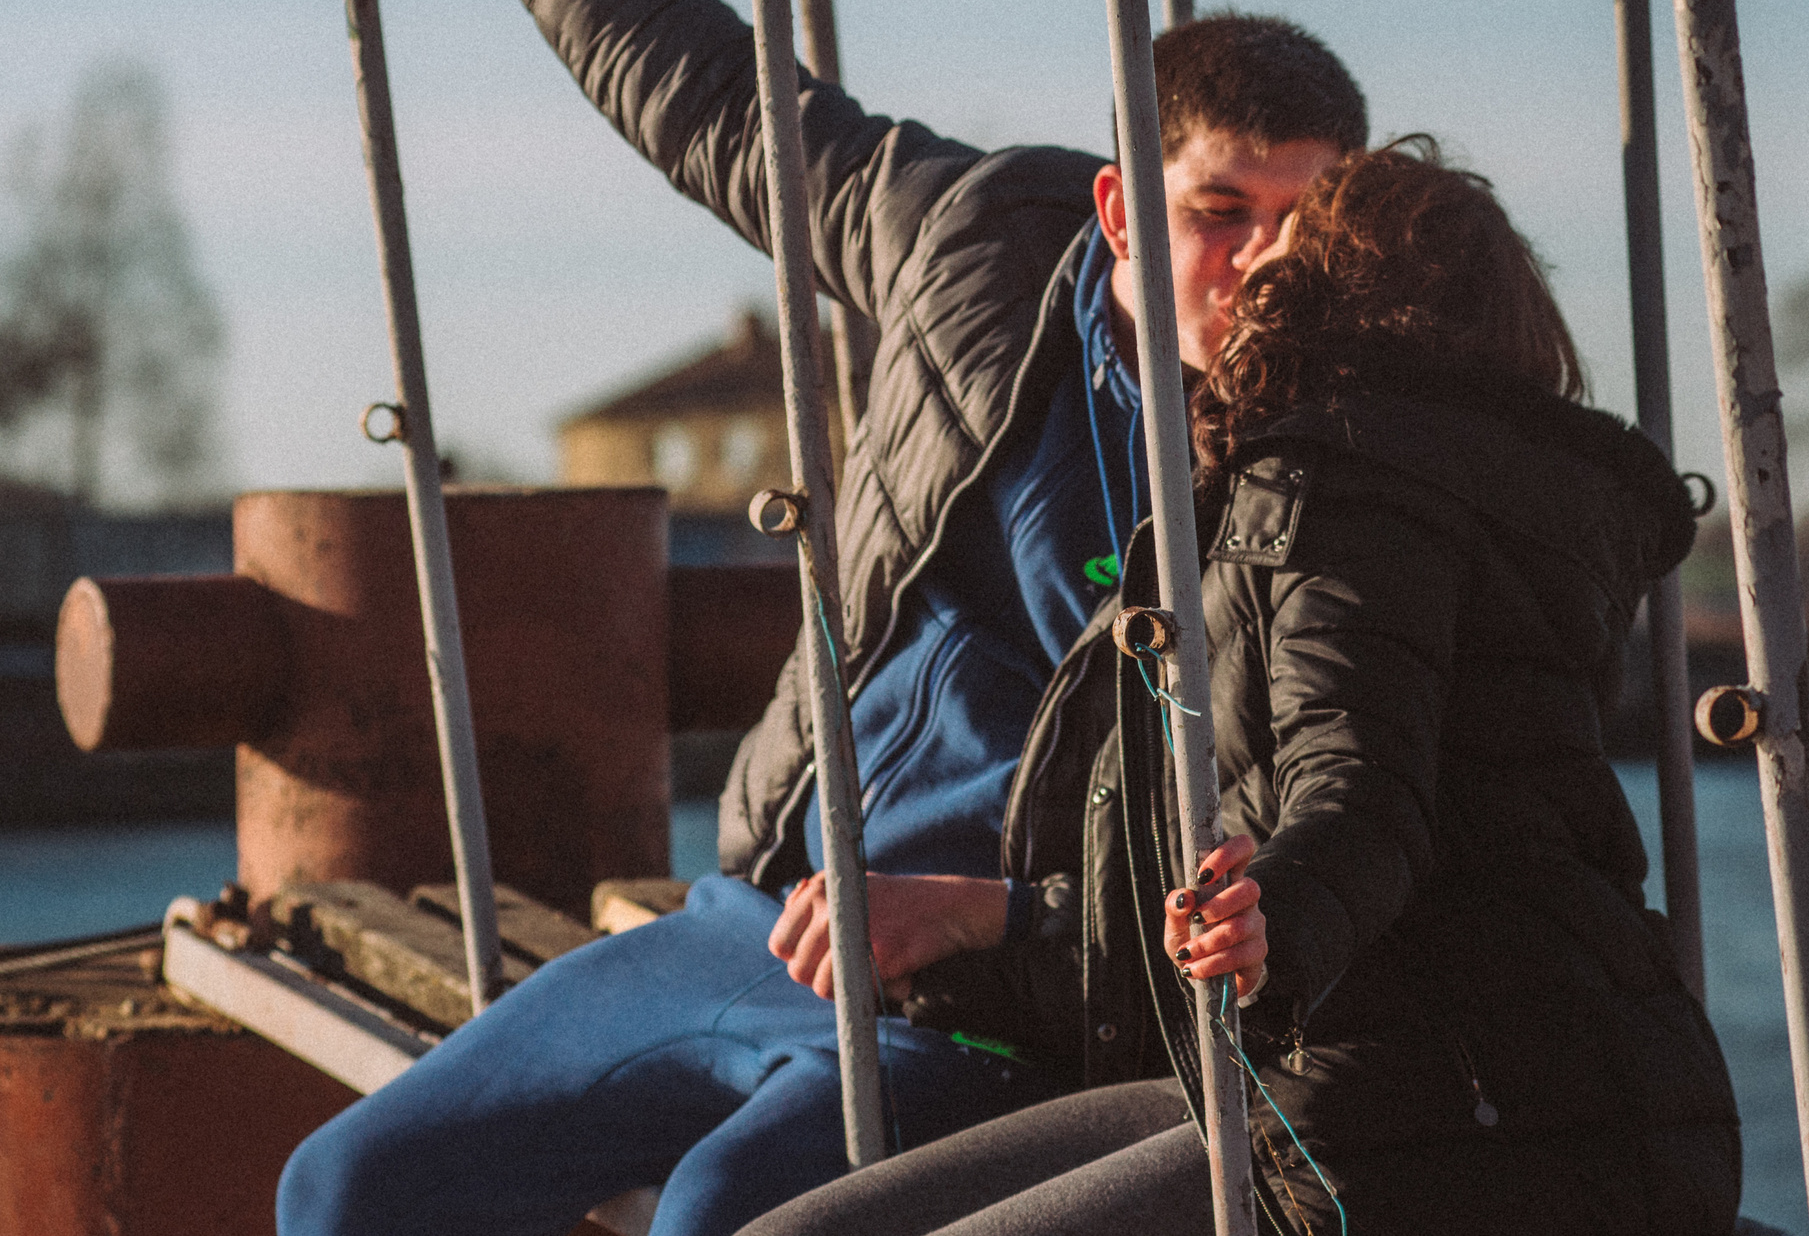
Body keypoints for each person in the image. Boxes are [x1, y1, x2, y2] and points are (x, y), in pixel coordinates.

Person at [276, 0, 1368, 1236]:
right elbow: (719, 98)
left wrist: (992, 920)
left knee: (722, 1212)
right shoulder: (973, 248)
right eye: (1219, 209)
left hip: (1004, 990)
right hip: (763, 911)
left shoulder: (1336, 462)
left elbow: (1302, 833)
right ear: (1122, 205)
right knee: (347, 1186)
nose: (1259, 262)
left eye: (1303, 225)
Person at [740, 140, 1743, 1236]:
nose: (1250, 263)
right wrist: (981, 940)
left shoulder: (1339, 484)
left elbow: (1361, 792)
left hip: (1416, 1112)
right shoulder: (1523, 513)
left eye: (1287, 246)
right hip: (1575, 1089)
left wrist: (1275, 923)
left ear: (1320, 293)